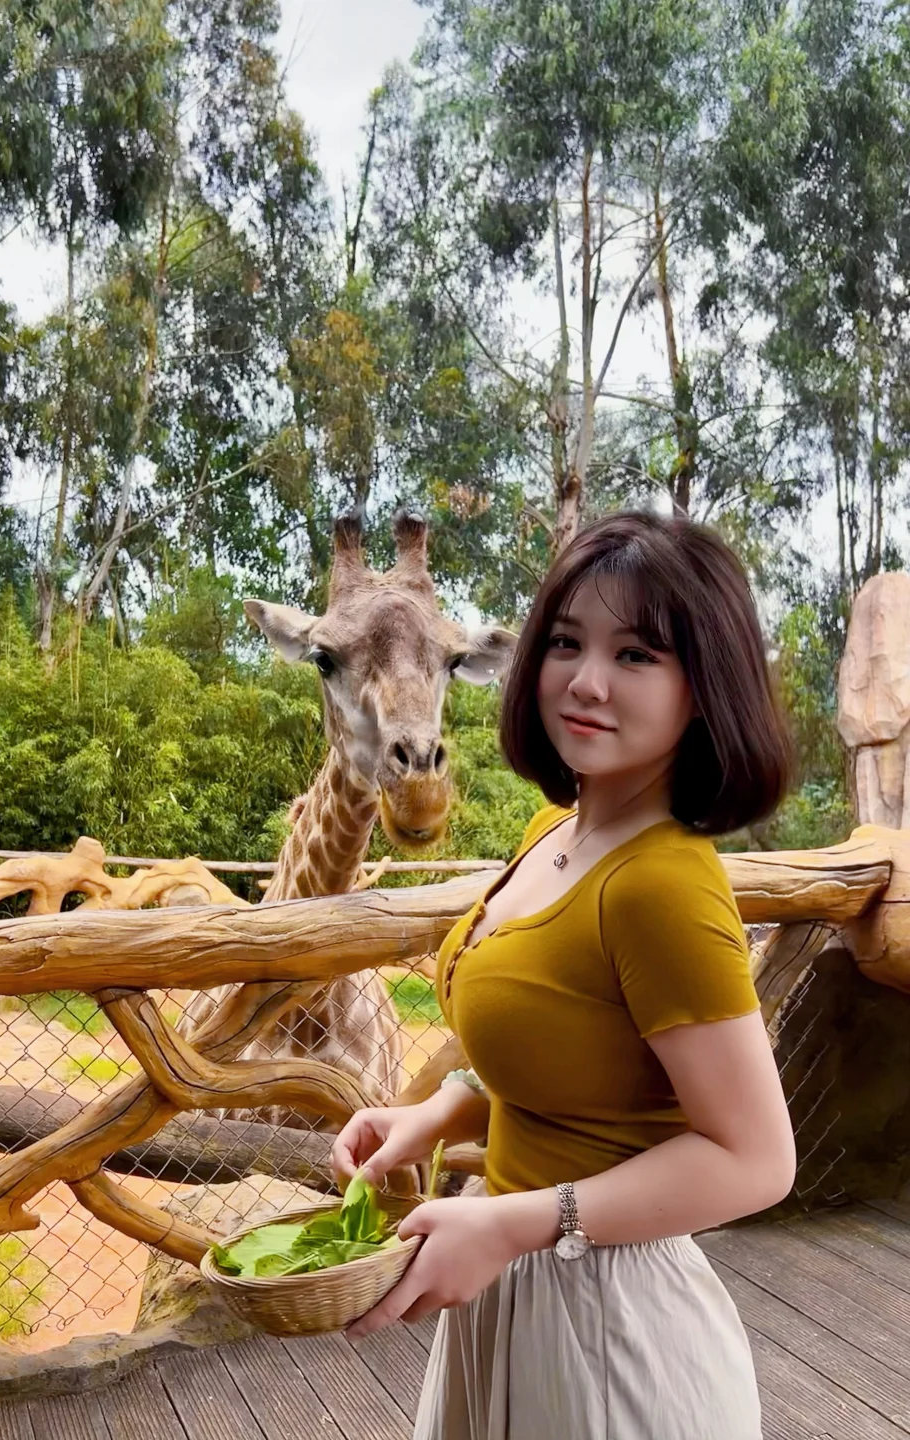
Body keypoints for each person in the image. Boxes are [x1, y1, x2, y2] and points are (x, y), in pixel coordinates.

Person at [331, 509, 797, 1440]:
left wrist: (515, 1224)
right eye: (567, 642)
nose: (585, 681)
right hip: (517, 1297)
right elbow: (581, 1061)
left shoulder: (661, 885)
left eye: (636, 655)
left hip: (611, 1335)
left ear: (705, 688)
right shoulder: (558, 832)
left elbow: (758, 1160)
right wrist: (447, 1111)